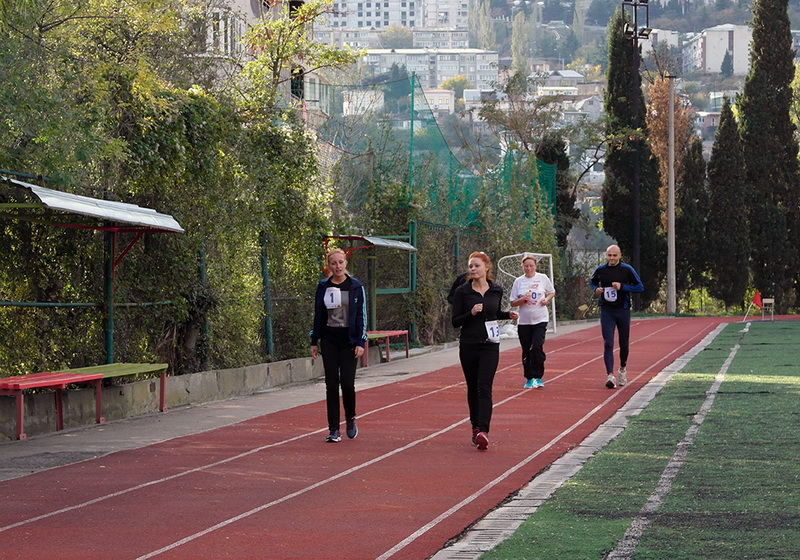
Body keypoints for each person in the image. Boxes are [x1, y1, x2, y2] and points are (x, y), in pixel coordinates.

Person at [451, 251, 518, 451]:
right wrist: (470, 313)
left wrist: (508, 314)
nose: (473, 269)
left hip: (490, 345)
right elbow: (455, 322)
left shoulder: (496, 290)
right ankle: (475, 426)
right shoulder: (462, 292)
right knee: (473, 387)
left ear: (486, 267)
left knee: (485, 386)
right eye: (471, 266)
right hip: (469, 344)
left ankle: (484, 431)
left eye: (477, 265)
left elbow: (495, 313)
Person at [310, 249, 367, 442]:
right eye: (333, 263)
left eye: (341, 262)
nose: (338, 266)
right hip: (329, 340)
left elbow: (361, 315)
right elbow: (318, 314)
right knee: (331, 384)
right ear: (329, 265)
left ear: (346, 263)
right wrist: (314, 340)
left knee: (348, 384)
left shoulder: (355, 286)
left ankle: (350, 418)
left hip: (349, 341)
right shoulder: (323, 286)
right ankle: (333, 429)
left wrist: (361, 341)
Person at [590, 244, 644, 389]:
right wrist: (596, 289)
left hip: (623, 310)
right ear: (606, 255)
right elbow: (592, 282)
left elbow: (640, 287)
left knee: (623, 343)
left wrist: (623, 287)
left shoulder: (627, 269)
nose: (612, 258)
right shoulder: (601, 270)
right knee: (608, 342)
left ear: (620, 255)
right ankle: (610, 375)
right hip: (607, 310)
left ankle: (622, 369)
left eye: (614, 255)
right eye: (609, 255)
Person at [509, 254, 555, 389]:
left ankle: (538, 377)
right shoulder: (518, 281)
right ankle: (529, 378)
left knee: (536, 346)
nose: (528, 268)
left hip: (540, 319)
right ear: (522, 267)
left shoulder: (542, 278)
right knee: (526, 350)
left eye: (531, 266)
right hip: (524, 322)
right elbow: (512, 302)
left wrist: (546, 299)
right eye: (526, 266)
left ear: (535, 266)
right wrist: (523, 299)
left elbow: (551, 292)